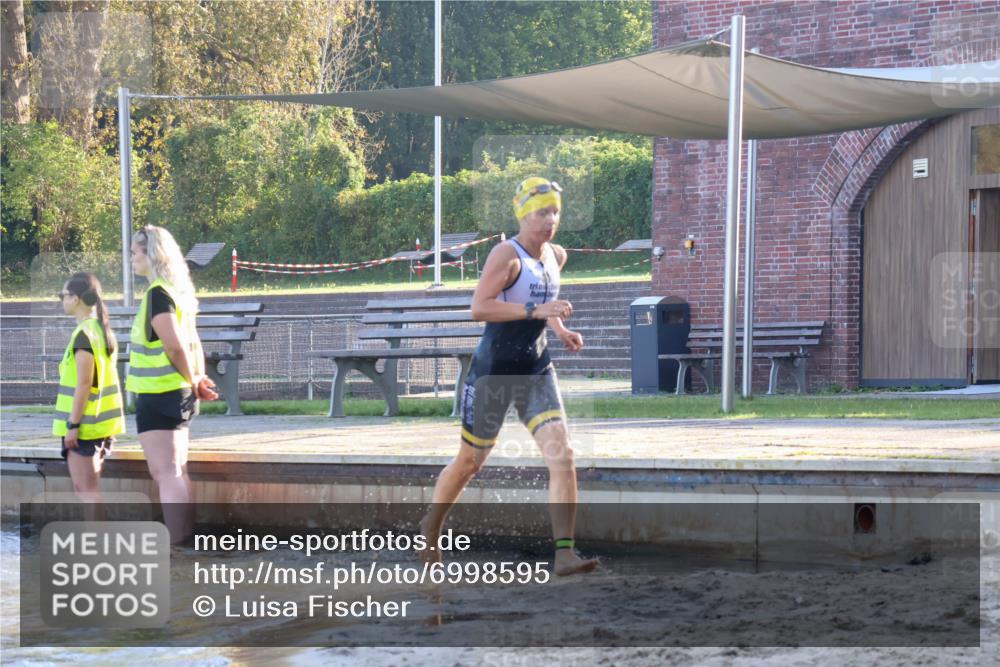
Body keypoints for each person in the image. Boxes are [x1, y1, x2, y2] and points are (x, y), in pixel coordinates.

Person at [421, 177, 599, 576]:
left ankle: (564, 554)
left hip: (536, 367)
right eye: (542, 213)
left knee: (563, 455)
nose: (550, 220)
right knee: (470, 462)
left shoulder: (557, 255)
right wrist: (535, 313)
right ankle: (431, 528)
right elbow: (480, 308)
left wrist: (559, 328)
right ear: (523, 215)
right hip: (494, 372)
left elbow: (543, 303)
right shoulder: (507, 255)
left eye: (555, 211)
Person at [126, 225, 217, 543]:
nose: (131, 258)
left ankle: (176, 543)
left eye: (135, 252)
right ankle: (185, 539)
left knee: (165, 473)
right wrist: (198, 378)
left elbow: (175, 345)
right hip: (178, 392)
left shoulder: (157, 294)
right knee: (177, 469)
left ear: (152, 254)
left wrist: (193, 378)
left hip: (160, 393)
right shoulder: (178, 291)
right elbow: (193, 342)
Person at [53, 272, 125, 510]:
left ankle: (96, 546)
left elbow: (84, 383)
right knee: (89, 490)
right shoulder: (100, 330)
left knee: (87, 492)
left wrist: (73, 425)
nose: (61, 300)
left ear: (75, 298)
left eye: (63, 295)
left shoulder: (84, 334)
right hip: (100, 424)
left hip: (84, 426)